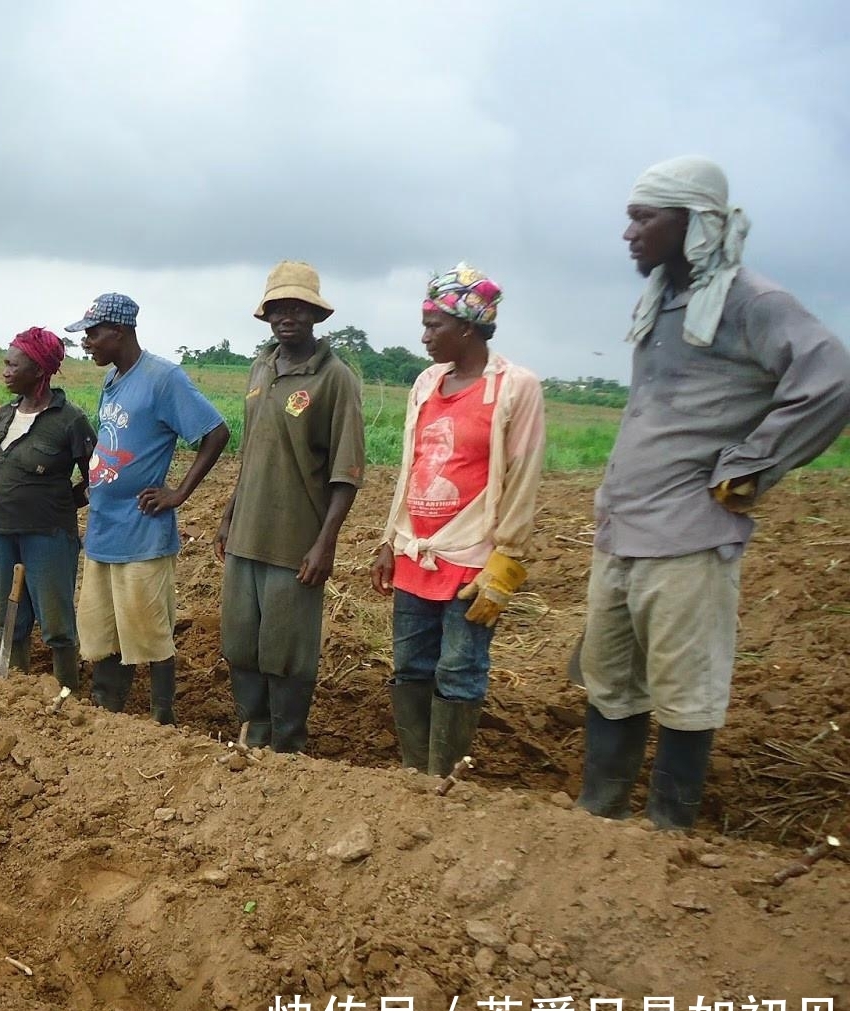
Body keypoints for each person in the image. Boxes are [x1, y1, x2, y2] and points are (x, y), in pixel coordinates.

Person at [577, 156, 850, 830]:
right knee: (611, 686)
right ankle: (596, 824)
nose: (629, 233)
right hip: (623, 532)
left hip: (689, 540)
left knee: (683, 696)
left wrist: (752, 464)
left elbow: (832, 377)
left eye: (643, 218)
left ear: (692, 221)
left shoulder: (752, 301)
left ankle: (669, 834)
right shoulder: (662, 301)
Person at [369, 264, 545, 773]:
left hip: (473, 558)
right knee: (410, 666)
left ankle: (443, 780)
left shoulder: (515, 388)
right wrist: (390, 539)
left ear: (467, 327)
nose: (425, 337)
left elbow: (523, 475)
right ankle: (416, 774)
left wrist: (508, 559)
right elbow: (412, 466)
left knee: (459, 669)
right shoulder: (426, 383)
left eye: (434, 325)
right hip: (416, 550)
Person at [216, 262, 365, 753]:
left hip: (295, 543)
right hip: (246, 535)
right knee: (241, 643)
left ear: (316, 314)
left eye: (298, 308)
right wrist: (229, 515)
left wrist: (325, 544)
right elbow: (253, 452)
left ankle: (287, 751)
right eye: (278, 307)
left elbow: (346, 472)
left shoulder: (335, 379)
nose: (287, 317)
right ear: (267, 314)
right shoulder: (261, 367)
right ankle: (251, 739)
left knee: (287, 652)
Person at [70, 293, 229, 721]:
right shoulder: (113, 378)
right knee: (104, 629)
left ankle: (162, 718)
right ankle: (107, 710)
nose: (87, 342)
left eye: (93, 334)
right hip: (104, 529)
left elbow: (215, 433)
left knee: (150, 630)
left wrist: (179, 493)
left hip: (142, 530)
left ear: (119, 331)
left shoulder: (163, 378)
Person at [0, 327, 96, 690]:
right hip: (2, 533)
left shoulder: (70, 420)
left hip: (49, 535)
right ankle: (16, 692)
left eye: (12, 365)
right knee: (10, 620)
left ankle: (67, 694)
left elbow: (96, 477)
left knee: (56, 624)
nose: (5, 371)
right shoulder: (2, 416)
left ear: (37, 370)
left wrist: (65, 502)